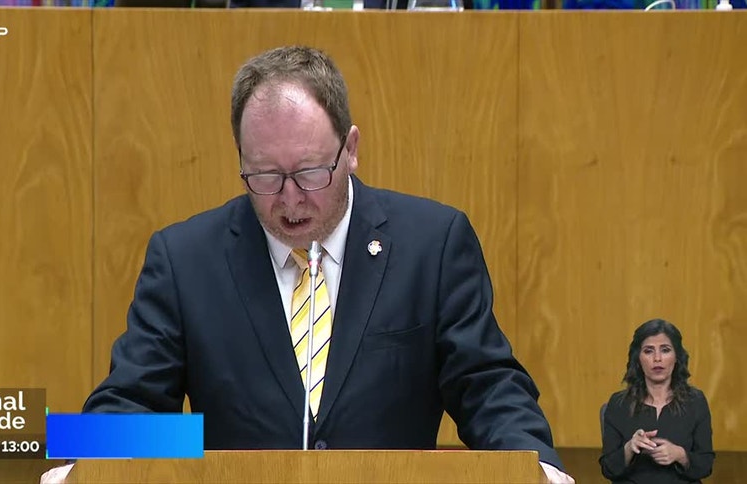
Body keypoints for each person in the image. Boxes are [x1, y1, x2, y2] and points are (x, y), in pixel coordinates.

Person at [41, 45, 573, 483]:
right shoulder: (185, 259)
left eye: (311, 172)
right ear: (240, 160)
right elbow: (135, 400)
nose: (290, 199)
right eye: (265, 176)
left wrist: (538, 467)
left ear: (351, 149)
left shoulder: (431, 244)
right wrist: (81, 465)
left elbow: (486, 386)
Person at [599, 319, 714, 483]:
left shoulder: (695, 401)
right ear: (638, 358)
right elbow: (608, 469)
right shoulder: (619, 404)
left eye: (665, 350)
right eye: (648, 351)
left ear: (677, 357)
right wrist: (630, 448)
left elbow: (706, 465)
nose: (657, 358)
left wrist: (680, 455)